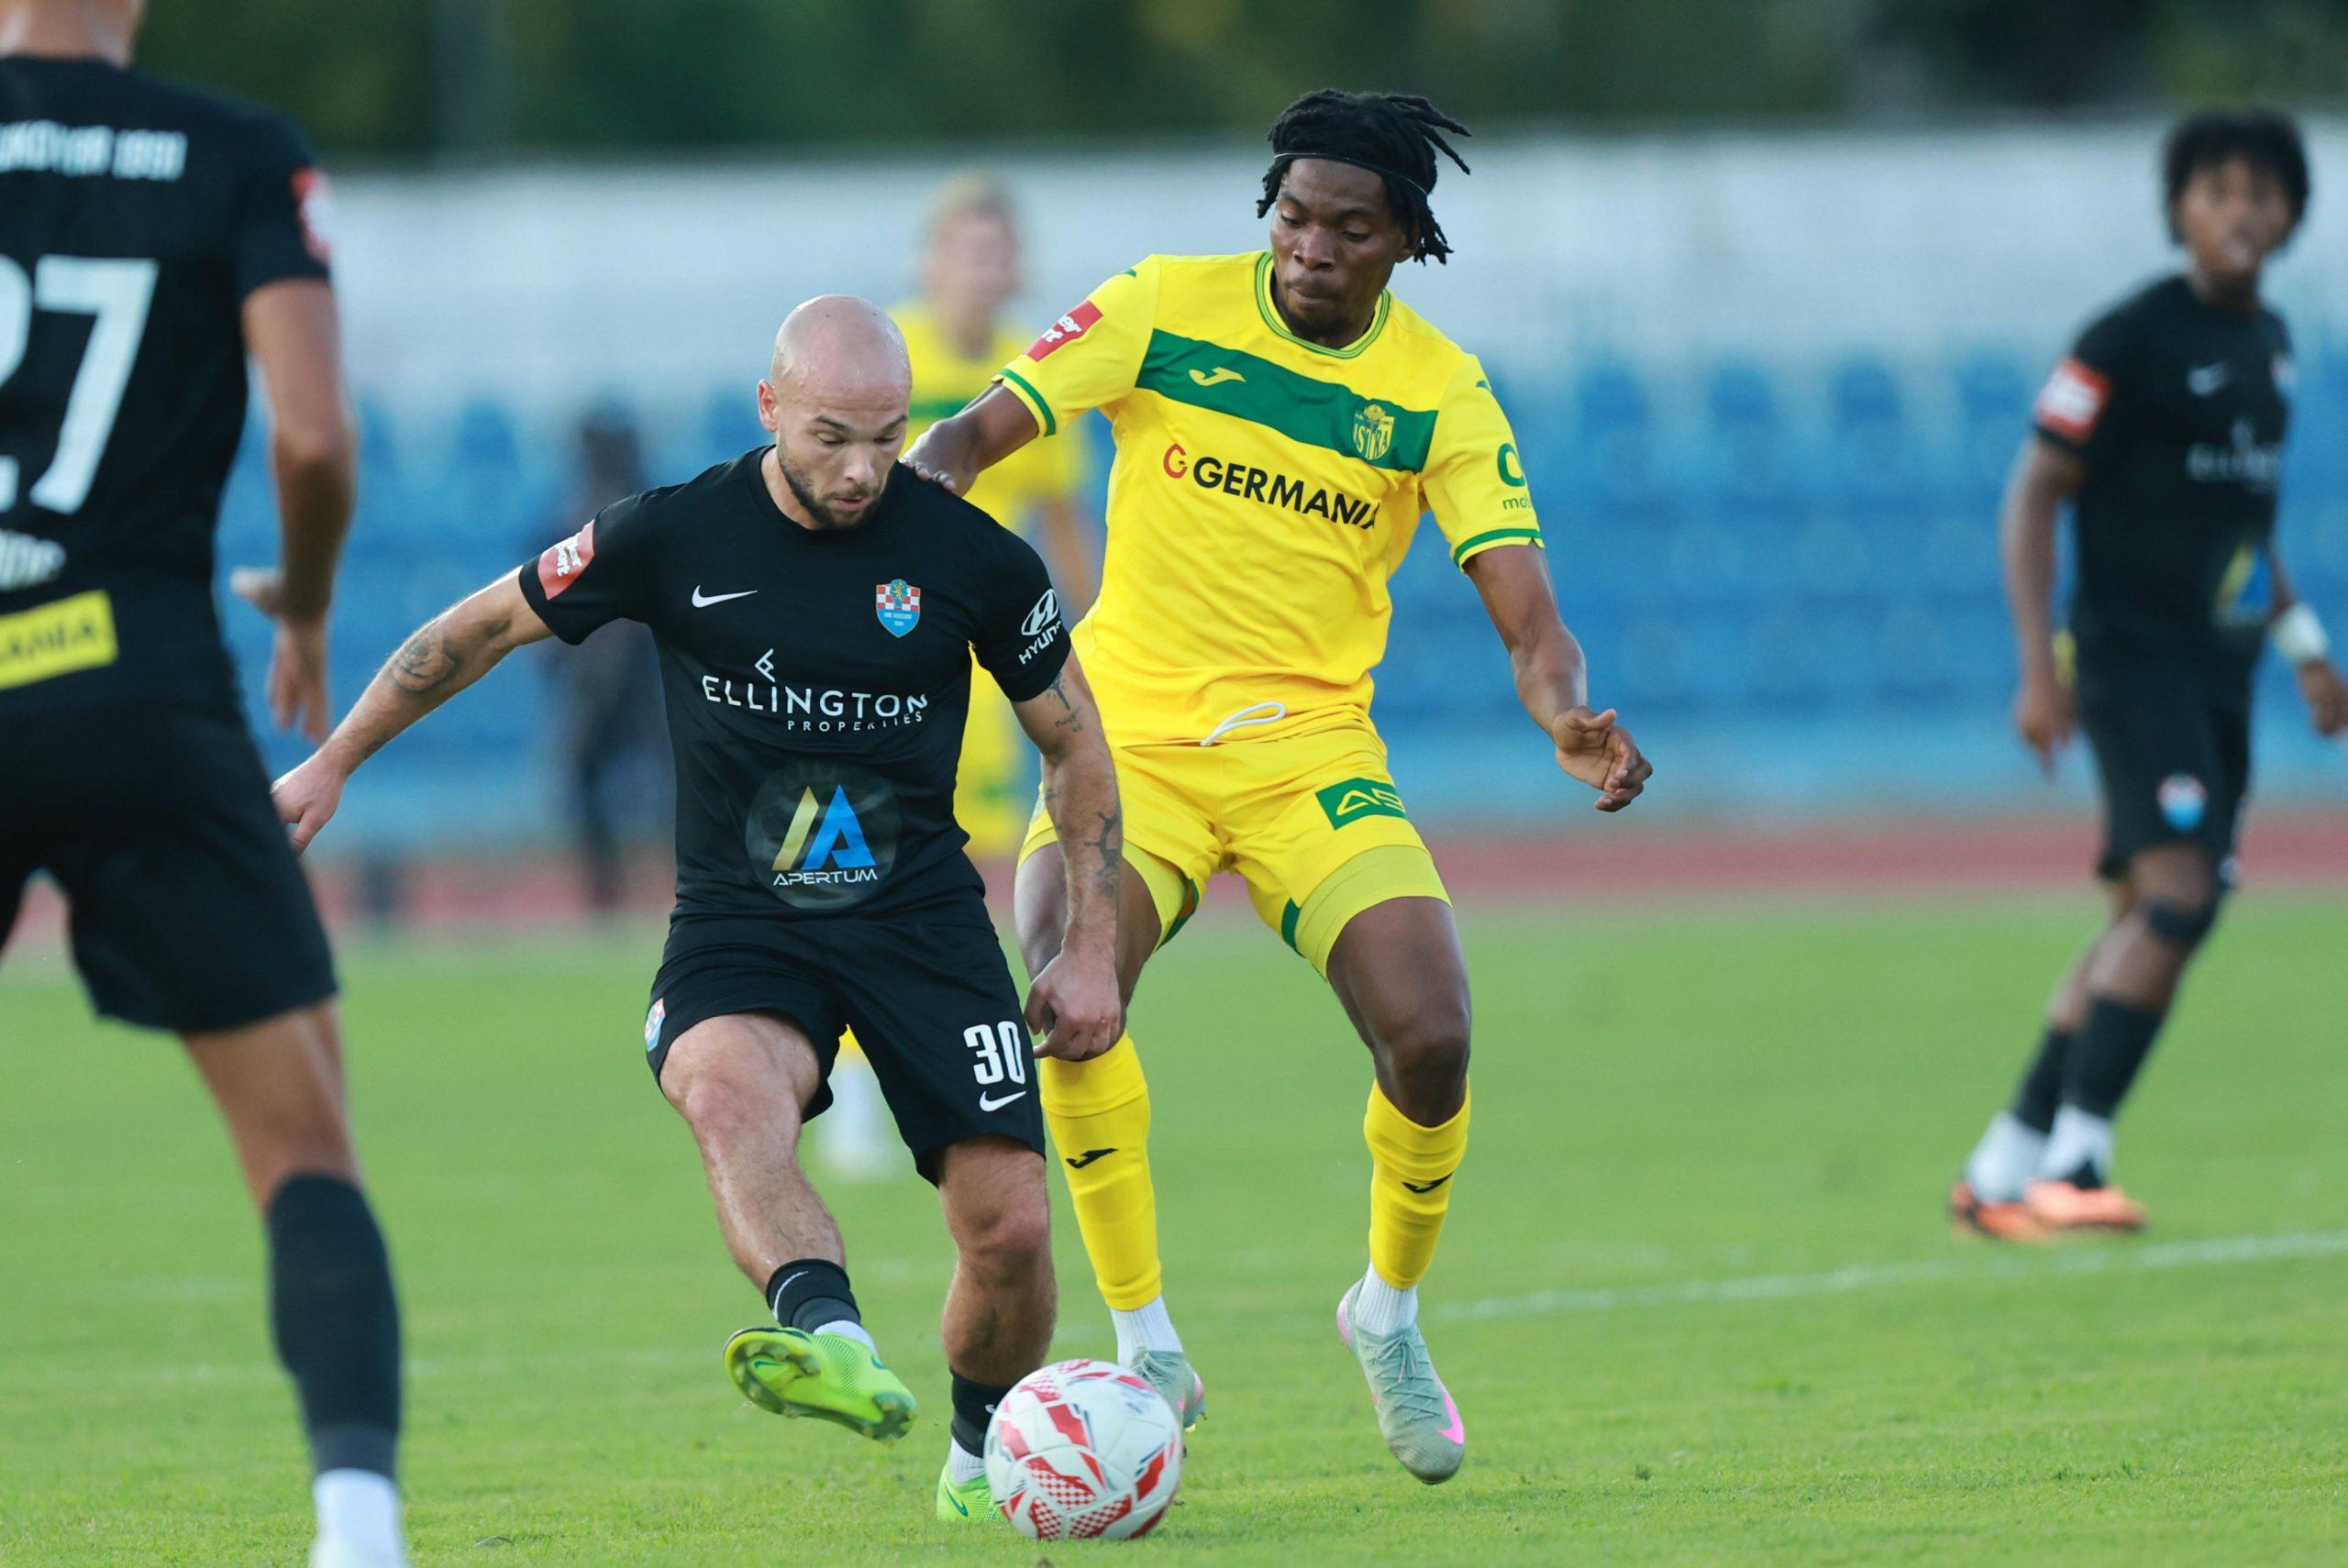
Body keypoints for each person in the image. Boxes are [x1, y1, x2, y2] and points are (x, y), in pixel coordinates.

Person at [269, 297, 1126, 1526]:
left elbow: (1077, 748)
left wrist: (1092, 947)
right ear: (770, 406)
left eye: (887, 438)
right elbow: (487, 624)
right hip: (743, 919)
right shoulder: (676, 533)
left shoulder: (971, 557)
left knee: (1010, 1230)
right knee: (727, 1094)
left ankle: (983, 1446)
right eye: (832, 434)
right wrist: (336, 760)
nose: (862, 467)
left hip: (922, 920)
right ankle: (826, 1334)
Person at [909, 91, 1652, 1485]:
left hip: (1311, 752)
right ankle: (1149, 1343)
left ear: (1405, 244)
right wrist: (911, 495)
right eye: (1295, 216)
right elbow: (975, 434)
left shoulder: (1438, 388)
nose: (1311, 247)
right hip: (1126, 743)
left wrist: (1566, 714)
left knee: (1430, 1035)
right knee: (1070, 985)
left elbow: (1529, 613)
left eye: (1349, 229)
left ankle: (1389, 1310)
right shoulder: (1160, 308)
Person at [0, 4, 406, 1565]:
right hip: (135, 685)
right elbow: (313, 437)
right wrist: (302, 601)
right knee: (305, 1146)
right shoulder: (230, 151)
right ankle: (357, 1529)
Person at [1952, 109, 2346, 1242]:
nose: (2242, 211)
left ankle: (1999, 1167)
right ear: (2180, 208)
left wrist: (2305, 648)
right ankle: (2073, 1164)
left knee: (2146, 910)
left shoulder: (2270, 344)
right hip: (2131, 658)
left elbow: (2240, 525)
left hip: (2216, 669)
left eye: (2263, 193)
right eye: (2218, 189)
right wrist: (2040, 669)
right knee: (2178, 900)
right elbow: (2033, 489)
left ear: (2290, 216)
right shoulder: (2126, 337)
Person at [811, 176, 1104, 1183]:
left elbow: (1064, 526)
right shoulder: (886, 355)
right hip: (887, 662)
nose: (983, 268)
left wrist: (1089, 635)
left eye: (997, 251)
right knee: (868, 874)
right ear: (932, 263)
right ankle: (853, 1092)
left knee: (990, 883)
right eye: (966, 250)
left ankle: (987, 1073)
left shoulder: (1035, 373)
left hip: (992, 670)